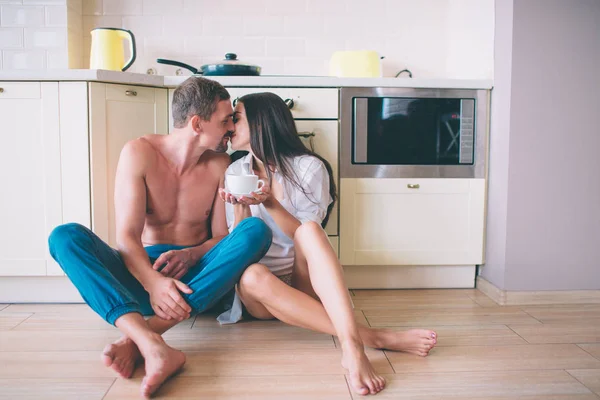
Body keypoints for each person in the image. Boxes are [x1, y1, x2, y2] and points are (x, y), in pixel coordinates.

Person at [48, 77, 272, 398]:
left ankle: (140, 338)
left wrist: (193, 254)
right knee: (64, 237)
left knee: (254, 230)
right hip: (141, 282)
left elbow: (222, 237)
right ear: (197, 123)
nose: (230, 129)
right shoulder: (139, 152)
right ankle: (151, 343)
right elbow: (127, 236)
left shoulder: (220, 163)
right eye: (224, 121)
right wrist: (153, 281)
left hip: (199, 282)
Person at [219, 92, 438, 396]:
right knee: (252, 274)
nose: (229, 125)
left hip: (302, 279)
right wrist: (241, 205)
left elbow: (304, 237)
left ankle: (352, 349)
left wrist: (270, 202)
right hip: (260, 293)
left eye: (236, 117)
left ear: (261, 123)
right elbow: (239, 246)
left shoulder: (308, 168)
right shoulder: (234, 171)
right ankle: (375, 338)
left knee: (309, 230)